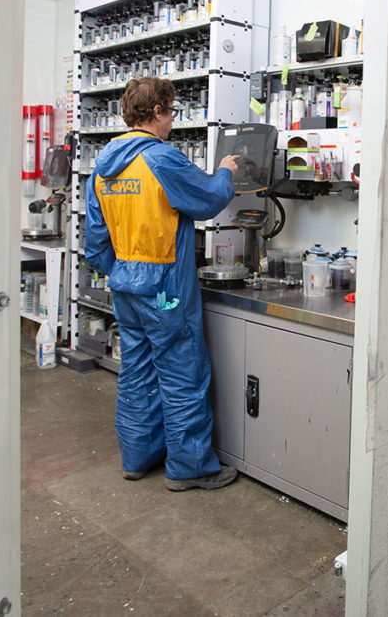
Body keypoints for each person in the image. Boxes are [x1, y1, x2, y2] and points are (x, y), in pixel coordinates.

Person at [84, 76, 241, 491]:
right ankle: (190, 469)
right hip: (166, 288)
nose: (172, 121)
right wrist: (225, 172)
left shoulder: (102, 167)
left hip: (125, 286)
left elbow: (97, 243)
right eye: (171, 111)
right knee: (181, 373)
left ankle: (138, 458)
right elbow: (208, 198)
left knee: (135, 372)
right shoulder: (161, 158)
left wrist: (123, 272)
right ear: (156, 112)